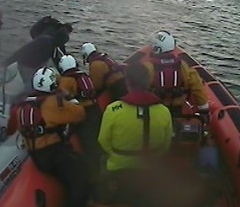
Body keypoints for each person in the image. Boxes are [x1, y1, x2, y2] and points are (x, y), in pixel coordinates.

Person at [97, 62, 173, 206]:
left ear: (127, 82)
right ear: (148, 82)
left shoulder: (113, 109)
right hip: (150, 168)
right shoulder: (164, 111)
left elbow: (102, 141)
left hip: (118, 168)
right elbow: (165, 146)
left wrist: (117, 156)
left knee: (101, 161)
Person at [14, 66, 90, 207]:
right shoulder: (53, 103)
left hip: (35, 155)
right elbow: (80, 114)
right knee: (79, 181)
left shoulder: (23, 106)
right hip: (53, 154)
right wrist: (69, 97)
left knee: (79, 162)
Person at [143, 30, 210, 123]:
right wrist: (204, 110)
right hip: (176, 111)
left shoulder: (147, 67)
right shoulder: (183, 66)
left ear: (156, 48)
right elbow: (197, 87)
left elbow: (137, 88)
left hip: (154, 111)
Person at [57, 54, 103, 185]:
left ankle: (94, 175)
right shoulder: (84, 76)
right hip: (96, 110)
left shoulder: (66, 81)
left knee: (88, 145)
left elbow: (61, 102)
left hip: (83, 114)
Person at [3, 29, 70, 91]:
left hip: (35, 67)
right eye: (63, 42)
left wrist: (66, 72)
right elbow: (24, 49)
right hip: (26, 65)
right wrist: (8, 61)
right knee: (30, 86)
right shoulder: (44, 41)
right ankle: (21, 100)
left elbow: (56, 59)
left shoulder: (53, 46)